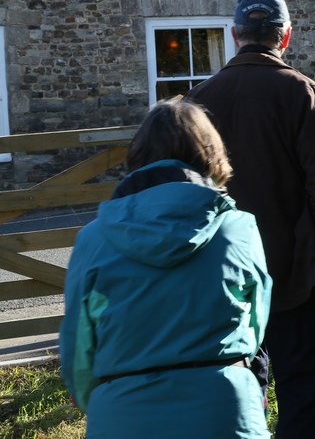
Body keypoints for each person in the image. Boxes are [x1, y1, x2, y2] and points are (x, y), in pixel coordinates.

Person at [187, 0, 315, 439]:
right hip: (298, 272)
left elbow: (187, 190)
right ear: (286, 36)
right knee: (304, 392)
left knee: (236, 391)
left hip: (224, 276)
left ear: (234, 35)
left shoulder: (198, 102)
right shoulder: (303, 93)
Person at [60, 99, 272, 438]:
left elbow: (77, 344)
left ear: (138, 156)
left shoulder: (93, 239)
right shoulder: (239, 228)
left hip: (124, 412)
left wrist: (103, 401)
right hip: (224, 408)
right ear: (210, 154)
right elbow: (256, 322)